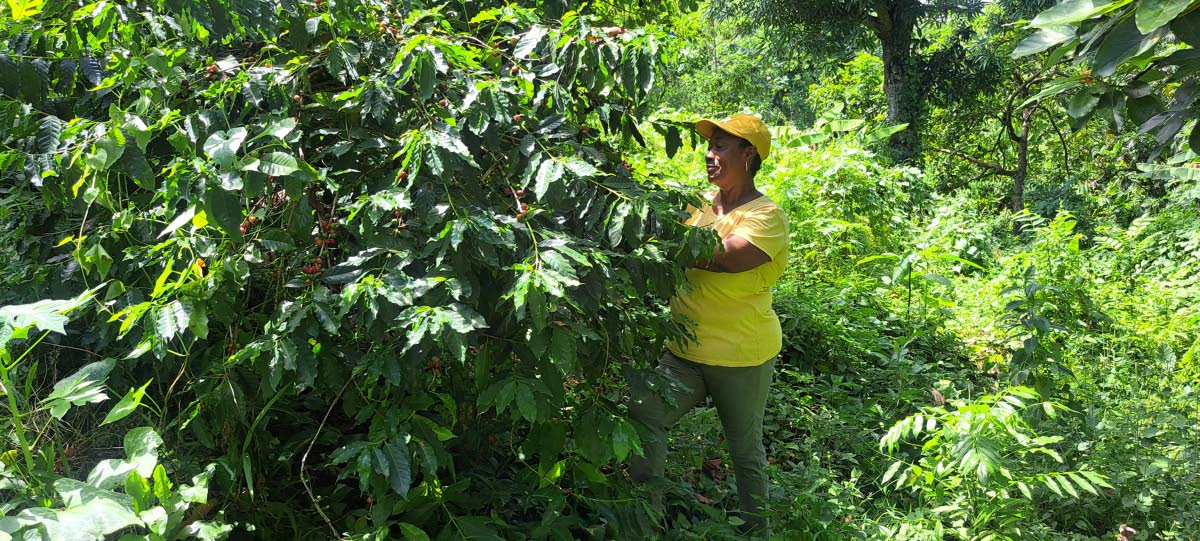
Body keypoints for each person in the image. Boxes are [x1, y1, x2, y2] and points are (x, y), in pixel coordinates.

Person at [629, 113, 789, 533]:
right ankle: (646, 519)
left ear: (748, 154)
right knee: (646, 414)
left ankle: (757, 530)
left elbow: (726, 257)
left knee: (744, 450)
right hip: (684, 350)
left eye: (720, 146)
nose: (709, 154)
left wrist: (659, 234)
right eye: (710, 146)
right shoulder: (697, 206)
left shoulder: (766, 215)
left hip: (741, 355)